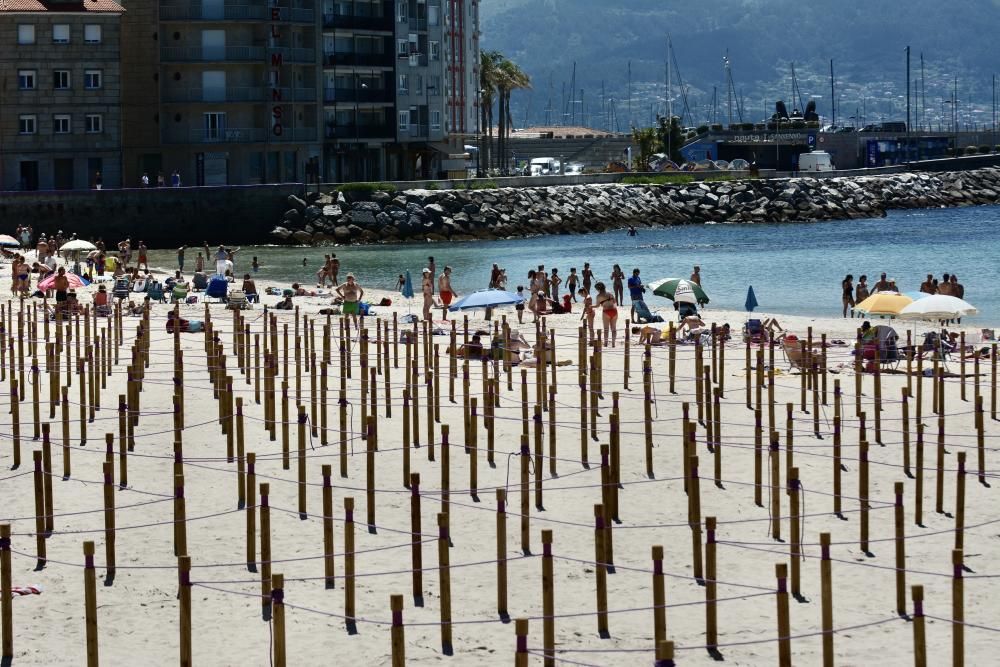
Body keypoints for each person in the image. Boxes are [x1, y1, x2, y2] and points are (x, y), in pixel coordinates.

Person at [594, 281, 618, 346]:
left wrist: (591, 306)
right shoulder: (610, 293)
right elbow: (615, 302)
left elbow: (597, 306)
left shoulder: (598, 296)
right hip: (614, 311)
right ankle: (613, 344)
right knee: (613, 329)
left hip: (606, 312)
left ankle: (606, 343)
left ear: (598, 289)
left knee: (606, 329)